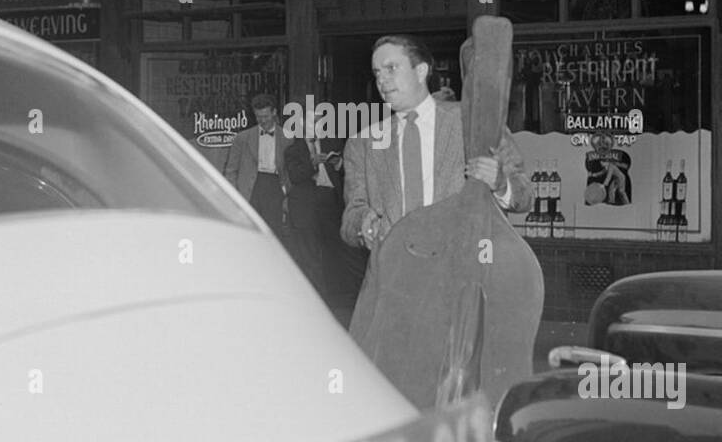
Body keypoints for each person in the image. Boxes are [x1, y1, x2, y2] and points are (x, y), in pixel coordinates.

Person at [340, 34, 532, 251]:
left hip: (462, 271)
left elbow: (524, 196)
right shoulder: (362, 144)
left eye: (391, 68)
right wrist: (362, 224)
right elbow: (350, 220)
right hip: (394, 274)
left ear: (421, 71)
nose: (382, 80)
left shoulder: (475, 125)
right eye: (377, 73)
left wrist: (501, 184)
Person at [284, 113, 366, 316]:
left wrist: (338, 164)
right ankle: (315, 302)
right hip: (306, 206)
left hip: (330, 202)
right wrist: (313, 162)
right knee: (309, 254)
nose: (318, 127)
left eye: (320, 123)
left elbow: (347, 173)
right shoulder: (293, 150)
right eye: (313, 123)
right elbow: (295, 176)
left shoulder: (332, 143)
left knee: (340, 250)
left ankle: (347, 297)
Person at [224, 93, 289, 237]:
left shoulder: (287, 137)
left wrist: (287, 194)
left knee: (274, 233)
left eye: (266, 116)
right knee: (249, 233)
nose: (262, 120)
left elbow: (290, 170)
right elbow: (231, 170)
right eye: (258, 116)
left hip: (275, 186)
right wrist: (234, 197)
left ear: (274, 112)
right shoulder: (242, 138)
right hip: (250, 187)